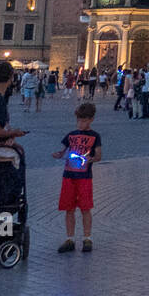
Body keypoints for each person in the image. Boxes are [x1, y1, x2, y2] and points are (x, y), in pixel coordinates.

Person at [54, 100, 101, 253]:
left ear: (91, 120)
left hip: (85, 177)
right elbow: (63, 151)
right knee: (69, 208)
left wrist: (91, 159)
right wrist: (59, 154)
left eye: (84, 120)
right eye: (79, 120)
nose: (80, 123)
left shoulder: (95, 136)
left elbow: (99, 155)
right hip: (68, 176)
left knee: (85, 208)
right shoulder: (71, 135)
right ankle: (70, 239)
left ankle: (87, 238)